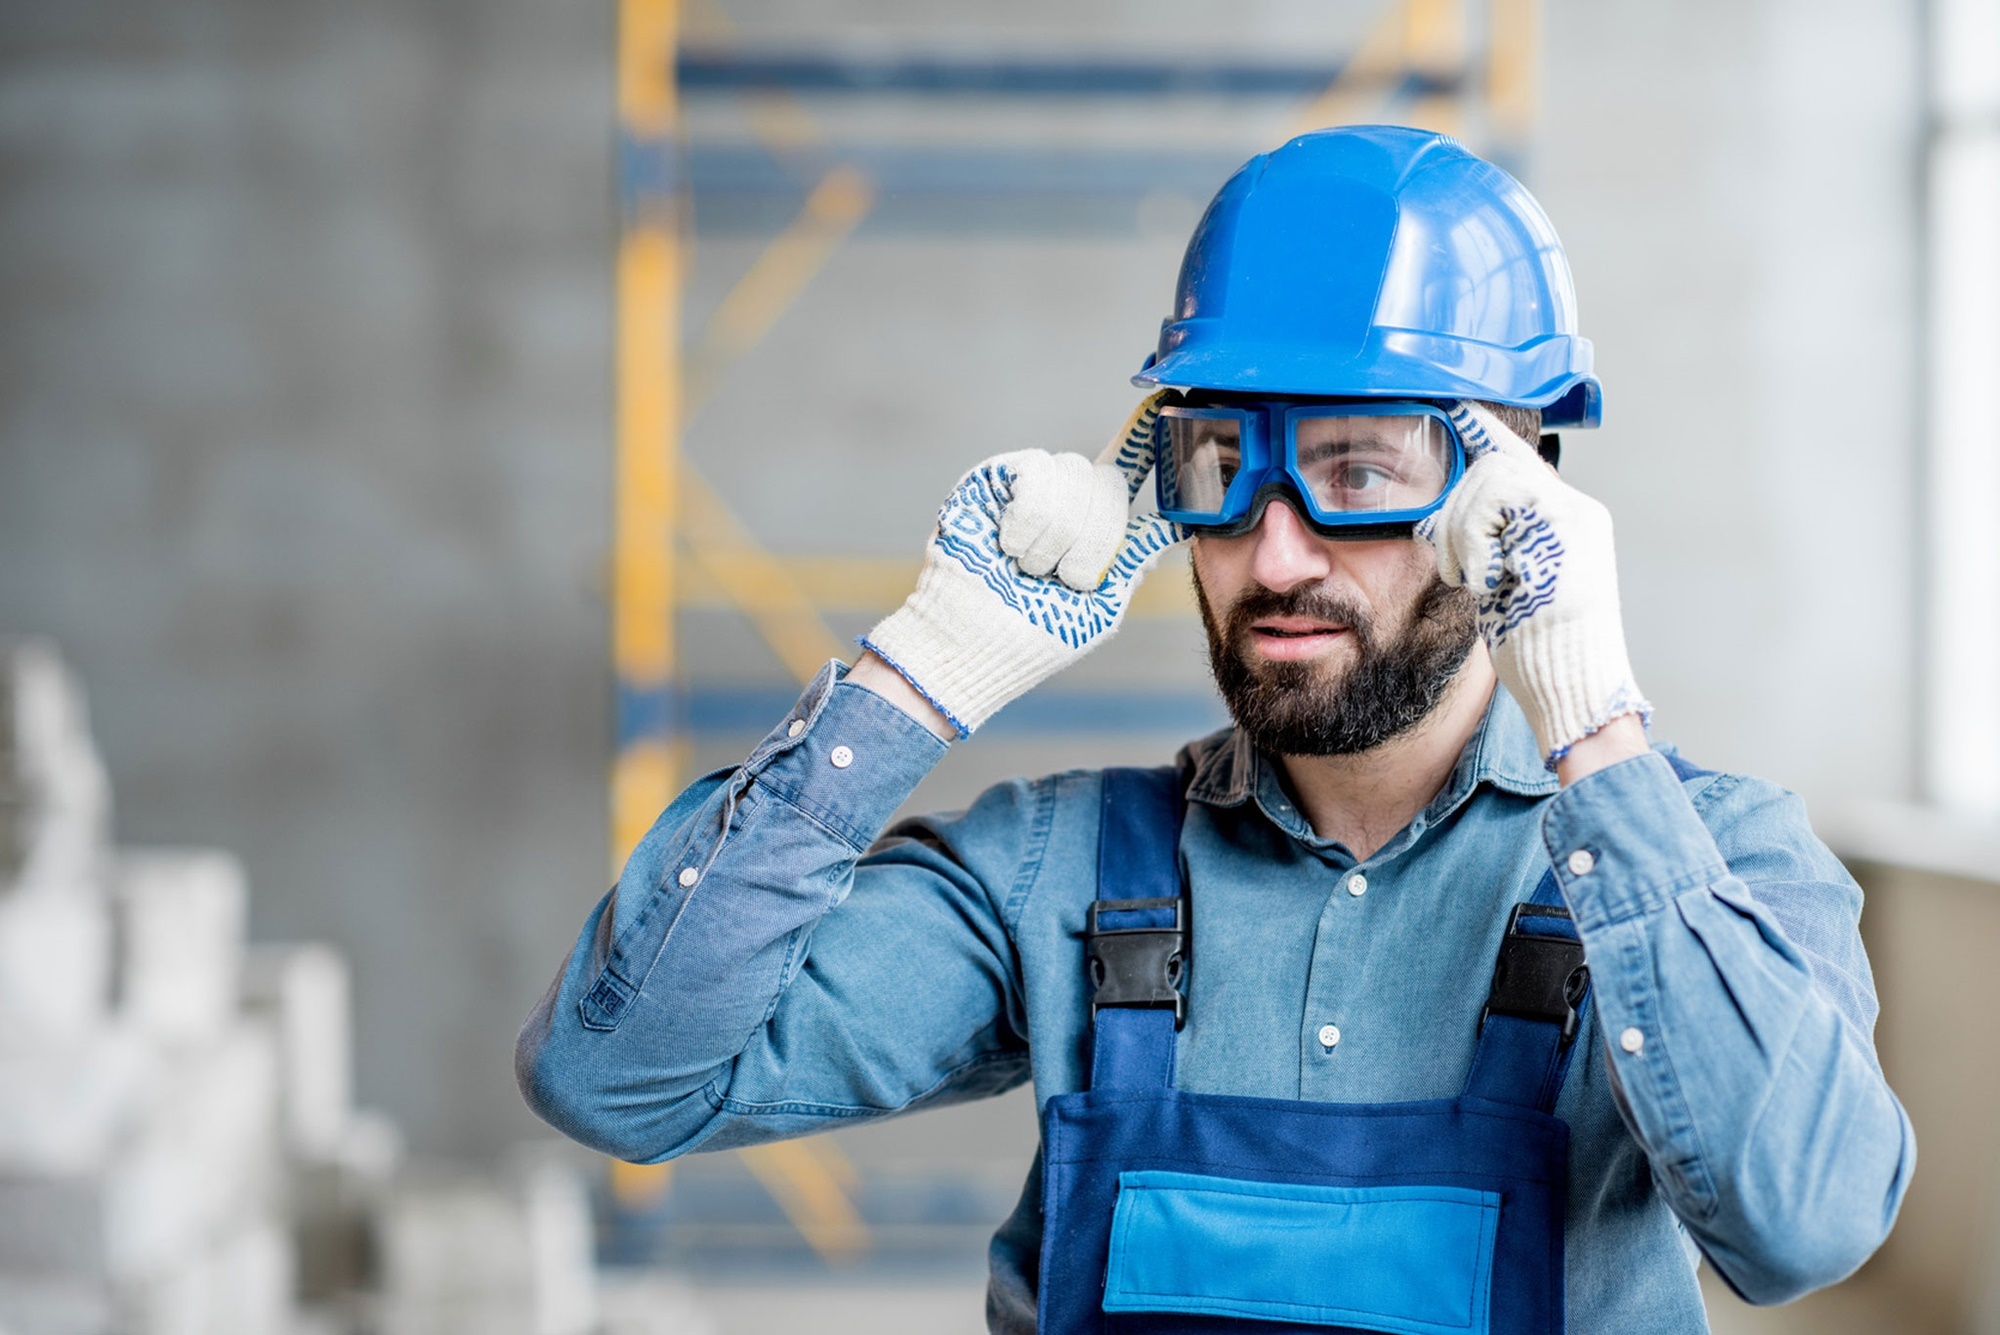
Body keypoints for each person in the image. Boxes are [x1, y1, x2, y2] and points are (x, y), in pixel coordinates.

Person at [517, 127, 1913, 1332]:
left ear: (1514, 493)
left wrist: (1596, 730)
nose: (1277, 555)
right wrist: (910, 678)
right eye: (1224, 470)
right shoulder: (1060, 875)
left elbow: (1802, 1228)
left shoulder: (1709, 866)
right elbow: (618, 1078)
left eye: (1358, 470)